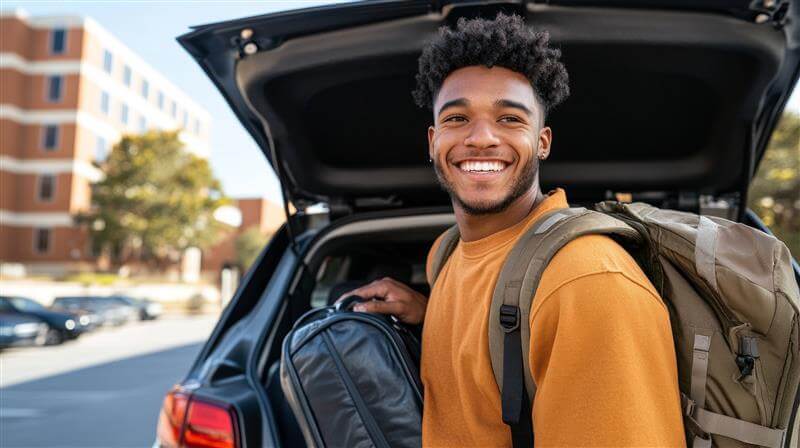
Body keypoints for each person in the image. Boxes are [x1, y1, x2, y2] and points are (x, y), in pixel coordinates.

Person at [338, 13, 685, 447]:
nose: (481, 137)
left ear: (542, 142)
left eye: (509, 119)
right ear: (433, 141)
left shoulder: (587, 283)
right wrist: (427, 317)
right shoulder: (445, 256)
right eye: (457, 119)